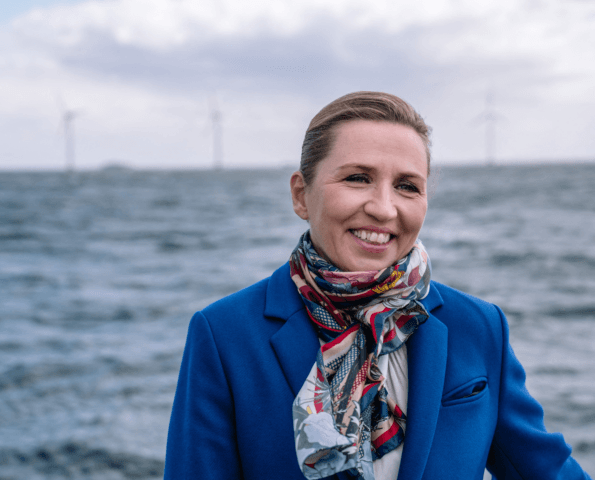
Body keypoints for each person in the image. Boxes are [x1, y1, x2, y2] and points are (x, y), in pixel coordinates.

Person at [163, 91, 591, 480]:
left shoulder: (478, 327)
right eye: (357, 178)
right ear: (300, 195)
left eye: (407, 186)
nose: (384, 208)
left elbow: (546, 472)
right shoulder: (224, 334)